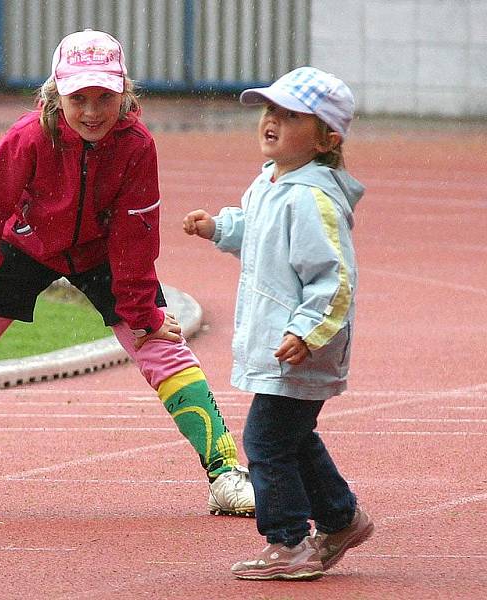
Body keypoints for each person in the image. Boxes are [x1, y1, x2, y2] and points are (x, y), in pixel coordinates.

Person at [0, 29, 254, 518]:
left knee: (162, 347)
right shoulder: (28, 137)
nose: (91, 111)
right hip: (24, 247)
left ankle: (226, 473)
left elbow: (136, 235)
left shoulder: (137, 144)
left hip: (102, 254)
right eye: (78, 97)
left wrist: (142, 312)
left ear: (124, 92)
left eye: (104, 97)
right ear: (55, 92)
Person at [183, 66, 374, 580]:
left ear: (325, 140)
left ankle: (289, 541)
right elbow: (258, 231)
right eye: (271, 110)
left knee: (265, 441)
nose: (272, 121)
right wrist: (221, 227)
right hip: (281, 340)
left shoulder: (312, 199)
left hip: (304, 345)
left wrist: (305, 332)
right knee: (291, 437)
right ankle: (339, 518)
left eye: (291, 116)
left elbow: (332, 279)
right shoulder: (271, 182)